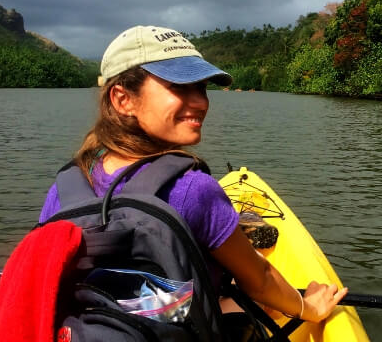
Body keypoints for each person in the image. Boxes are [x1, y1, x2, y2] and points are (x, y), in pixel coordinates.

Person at [39, 24, 347, 324]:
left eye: (201, 87)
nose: (201, 102)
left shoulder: (67, 187)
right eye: (179, 87)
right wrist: (308, 306)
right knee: (266, 302)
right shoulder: (193, 189)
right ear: (123, 99)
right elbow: (261, 281)